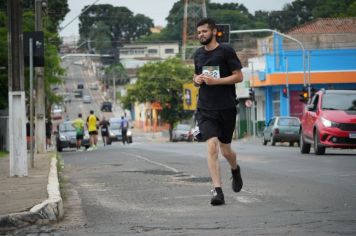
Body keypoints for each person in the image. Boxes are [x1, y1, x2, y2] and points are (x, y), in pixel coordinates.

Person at [193, 18, 244, 206]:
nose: (201, 35)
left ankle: (235, 169)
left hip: (226, 107)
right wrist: (196, 79)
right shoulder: (198, 54)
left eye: (204, 31)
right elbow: (195, 74)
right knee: (212, 146)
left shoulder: (226, 51)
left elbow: (239, 76)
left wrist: (218, 81)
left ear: (214, 32)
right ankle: (218, 191)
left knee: (226, 150)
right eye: (199, 33)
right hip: (206, 108)